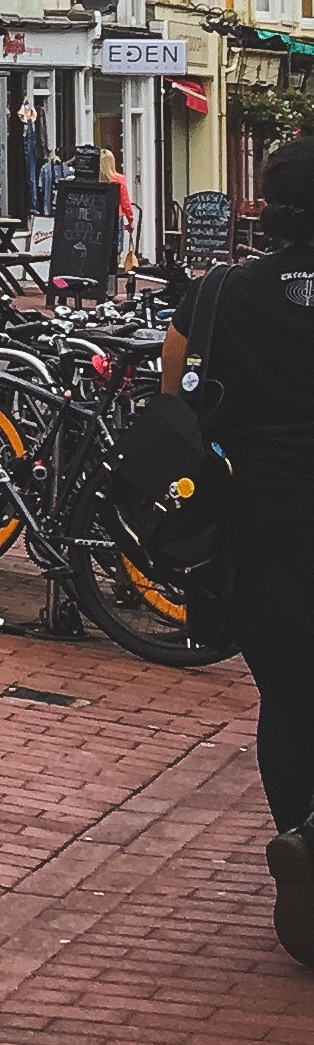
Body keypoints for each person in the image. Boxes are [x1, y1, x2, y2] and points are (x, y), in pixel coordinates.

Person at [161, 133, 314, 964]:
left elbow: (175, 391)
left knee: (289, 700)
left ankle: (300, 838)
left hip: (261, 528)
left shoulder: (223, 292)